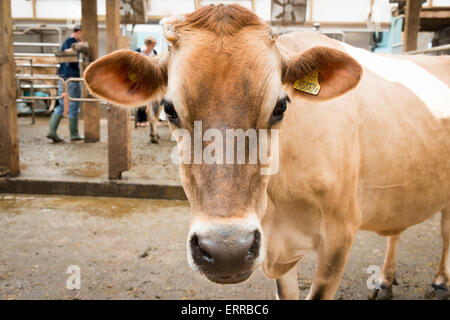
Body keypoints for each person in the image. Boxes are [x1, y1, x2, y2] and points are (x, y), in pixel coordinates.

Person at [46, 25, 84, 142]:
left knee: (62, 103)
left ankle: (52, 131)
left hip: (63, 76)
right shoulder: (71, 41)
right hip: (70, 77)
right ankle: (74, 133)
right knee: (73, 104)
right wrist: (81, 46)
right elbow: (70, 53)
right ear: (79, 32)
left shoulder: (67, 41)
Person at [135, 36, 158, 127]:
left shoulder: (154, 52)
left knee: (146, 99)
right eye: (152, 45)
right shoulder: (138, 51)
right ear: (148, 44)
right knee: (139, 98)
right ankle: (140, 120)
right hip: (139, 78)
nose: (153, 47)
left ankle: (144, 120)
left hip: (148, 79)